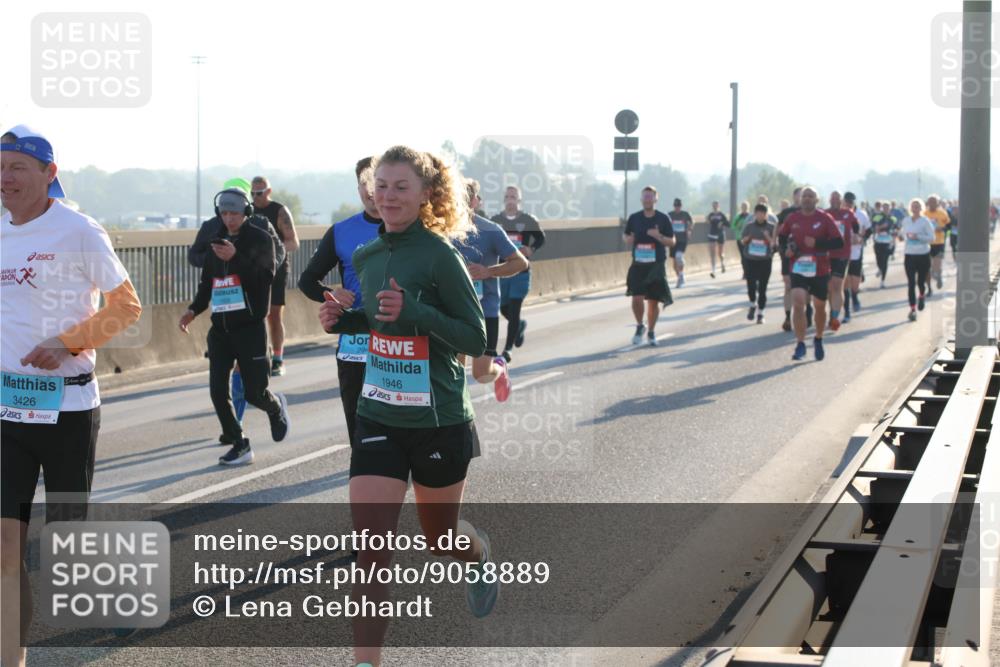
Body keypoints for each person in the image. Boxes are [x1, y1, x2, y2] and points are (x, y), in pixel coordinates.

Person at [319, 146, 497, 666]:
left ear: (424, 195)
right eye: (382, 186)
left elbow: (474, 334)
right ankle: (365, 662)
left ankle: (477, 553)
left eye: (401, 187)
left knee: (440, 541)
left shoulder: (441, 255)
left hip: (438, 421)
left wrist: (416, 309)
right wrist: (345, 322)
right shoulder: (367, 257)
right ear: (370, 193)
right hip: (378, 415)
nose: (389, 195)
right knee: (370, 553)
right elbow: (381, 323)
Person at [1, 126, 143, 667]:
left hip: (67, 408)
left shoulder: (78, 230)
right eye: (0, 166)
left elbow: (127, 306)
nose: (5, 177)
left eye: (17, 166)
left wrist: (66, 342)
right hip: (7, 410)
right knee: (6, 551)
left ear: (48, 174)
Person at [179, 187, 291, 465]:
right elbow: (208, 284)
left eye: (235, 213)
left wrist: (236, 259)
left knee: (255, 392)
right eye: (225, 213)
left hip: (251, 328)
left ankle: (275, 407)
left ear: (246, 213)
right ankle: (239, 442)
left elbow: (266, 277)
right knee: (218, 390)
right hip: (221, 329)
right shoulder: (215, 241)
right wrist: (193, 310)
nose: (229, 219)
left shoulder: (260, 238)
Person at [298, 157, 382, 447]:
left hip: (399, 342)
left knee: (395, 425)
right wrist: (330, 293)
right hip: (355, 344)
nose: (371, 192)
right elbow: (306, 281)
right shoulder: (342, 231)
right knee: (358, 428)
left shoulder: (412, 228)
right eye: (364, 184)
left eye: (376, 184)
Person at [455, 178, 528, 398]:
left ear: (476, 202)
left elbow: (520, 263)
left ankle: (500, 368)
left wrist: (489, 271)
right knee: (454, 373)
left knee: (481, 374)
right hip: (453, 311)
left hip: (484, 311)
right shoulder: (440, 230)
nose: (461, 203)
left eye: (467, 199)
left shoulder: (491, 230)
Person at [778, 187, 844, 361]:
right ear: (800, 200)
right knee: (798, 302)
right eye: (804, 196)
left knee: (819, 307)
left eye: (811, 196)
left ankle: (818, 338)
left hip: (820, 268)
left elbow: (839, 242)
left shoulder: (824, 218)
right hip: (798, 266)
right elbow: (782, 236)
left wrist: (818, 243)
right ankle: (800, 344)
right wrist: (786, 250)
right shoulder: (793, 218)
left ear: (816, 200)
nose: (807, 199)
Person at [251, 176, 300, 376]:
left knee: (273, 314)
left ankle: (278, 358)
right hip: (253, 269)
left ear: (268, 192)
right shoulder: (248, 211)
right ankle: (260, 355)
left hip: (277, 268)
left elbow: (293, 242)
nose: (255, 197)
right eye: (252, 193)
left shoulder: (279, 211)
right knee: (255, 314)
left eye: (259, 193)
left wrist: (272, 253)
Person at [492, 186, 545, 362]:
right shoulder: (496, 220)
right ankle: (520, 325)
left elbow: (541, 238)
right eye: (507, 196)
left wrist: (531, 249)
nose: (510, 199)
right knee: (503, 308)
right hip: (503, 271)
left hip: (521, 272)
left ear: (519, 200)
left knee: (514, 311)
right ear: (503, 199)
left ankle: (507, 350)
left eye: (513, 196)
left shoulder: (527, 220)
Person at [624, 186, 676, 346]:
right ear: (641, 199)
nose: (647, 199)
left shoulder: (663, 218)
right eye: (645, 196)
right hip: (638, 264)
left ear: (656, 199)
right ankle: (640, 325)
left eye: (650, 196)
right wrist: (628, 239)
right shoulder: (634, 218)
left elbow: (672, 241)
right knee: (636, 297)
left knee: (653, 301)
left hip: (656, 265)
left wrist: (658, 236)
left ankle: (651, 332)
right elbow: (626, 234)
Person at [898, 198, 935, 322]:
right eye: (913, 206)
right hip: (909, 255)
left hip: (923, 254)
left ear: (921, 208)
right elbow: (903, 234)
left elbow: (932, 237)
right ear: (911, 208)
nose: (915, 208)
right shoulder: (906, 220)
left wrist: (918, 236)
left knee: (920, 282)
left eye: (918, 206)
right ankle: (913, 310)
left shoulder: (925, 221)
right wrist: (901, 237)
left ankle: (922, 295)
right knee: (911, 284)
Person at [824, 191, 857, 331]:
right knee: (829, 288)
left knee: (837, 285)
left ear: (841, 201)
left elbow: (856, 228)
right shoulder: (824, 214)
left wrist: (857, 236)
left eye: (837, 199)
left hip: (842, 254)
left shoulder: (848, 214)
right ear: (829, 200)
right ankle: (832, 311)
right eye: (833, 199)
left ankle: (835, 317)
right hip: (826, 255)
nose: (835, 201)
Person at [740, 204, 776, 324]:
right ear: (755, 214)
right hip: (750, 260)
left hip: (765, 261)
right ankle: (752, 304)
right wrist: (748, 238)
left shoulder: (771, 227)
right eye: (758, 213)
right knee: (751, 286)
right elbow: (742, 240)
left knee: (762, 288)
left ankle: (761, 313)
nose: (760, 215)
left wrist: (767, 237)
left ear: (766, 215)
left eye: (763, 213)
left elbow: (774, 245)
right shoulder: (749, 226)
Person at [843, 191, 870, 319]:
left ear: (854, 202)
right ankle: (847, 311)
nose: (848, 204)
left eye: (851, 202)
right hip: (842, 253)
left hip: (856, 252)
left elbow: (869, 230)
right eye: (846, 202)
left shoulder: (861, 214)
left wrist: (861, 239)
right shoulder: (839, 214)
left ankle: (855, 296)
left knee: (854, 283)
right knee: (845, 282)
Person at [924, 194, 949, 293]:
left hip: (939, 242)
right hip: (926, 243)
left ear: (938, 203)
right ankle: (929, 288)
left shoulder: (943, 213)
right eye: (930, 202)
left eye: (934, 202)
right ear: (928, 203)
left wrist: (942, 228)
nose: (932, 204)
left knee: (936, 266)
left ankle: (938, 275)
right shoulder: (924, 214)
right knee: (926, 267)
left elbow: (949, 226)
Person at [667, 198, 694, 287]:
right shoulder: (670, 215)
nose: (677, 208)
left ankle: (681, 275)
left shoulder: (685, 214)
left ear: (681, 206)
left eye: (678, 206)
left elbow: (692, 222)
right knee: (674, 265)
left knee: (679, 256)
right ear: (673, 206)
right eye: (675, 206)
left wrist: (689, 230)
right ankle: (680, 277)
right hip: (673, 240)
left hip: (682, 239)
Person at [871, 201, 896, 288]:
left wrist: (895, 233)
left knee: (885, 261)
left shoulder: (893, 218)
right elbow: (873, 228)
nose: (886, 209)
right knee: (878, 259)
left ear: (889, 209)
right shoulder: (877, 217)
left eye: (887, 208)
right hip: (878, 241)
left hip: (888, 242)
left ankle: (882, 281)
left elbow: (896, 228)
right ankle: (880, 269)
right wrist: (880, 228)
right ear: (882, 208)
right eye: (884, 207)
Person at [705, 200, 729, 278]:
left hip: (720, 234)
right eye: (713, 205)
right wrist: (707, 220)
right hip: (712, 234)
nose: (715, 207)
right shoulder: (710, 214)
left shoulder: (721, 214)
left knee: (720, 253)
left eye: (716, 205)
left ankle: (722, 263)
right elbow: (707, 221)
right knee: (712, 253)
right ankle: (713, 270)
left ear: (718, 206)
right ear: (712, 206)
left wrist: (722, 223)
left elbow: (728, 224)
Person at [732, 200, 752, 279]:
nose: (744, 208)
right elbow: (733, 226)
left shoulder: (750, 216)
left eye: (745, 207)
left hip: (749, 239)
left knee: (749, 256)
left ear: (748, 207)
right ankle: (745, 273)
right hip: (739, 238)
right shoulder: (738, 216)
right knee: (743, 256)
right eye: (743, 207)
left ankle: (750, 272)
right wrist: (738, 226)